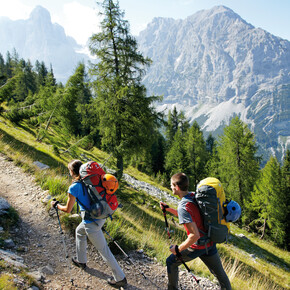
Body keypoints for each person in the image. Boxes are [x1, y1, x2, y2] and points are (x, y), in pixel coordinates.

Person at [51, 159, 127, 288]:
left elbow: (68, 210)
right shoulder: (91, 181)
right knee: (79, 232)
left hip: (91, 223)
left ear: (73, 172)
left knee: (104, 250)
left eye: (69, 170)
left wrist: (56, 205)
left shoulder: (74, 187)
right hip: (99, 217)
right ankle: (81, 261)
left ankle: (120, 278)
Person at [160, 172, 231, 290]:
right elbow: (189, 218)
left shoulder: (183, 206)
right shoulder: (194, 196)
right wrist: (169, 209)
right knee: (220, 275)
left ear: (177, 187)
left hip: (197, 247)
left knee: (171, 262)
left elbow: (194, 235)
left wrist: (177, 249)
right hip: (209, 242)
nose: (171, 187)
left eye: (172, 185)